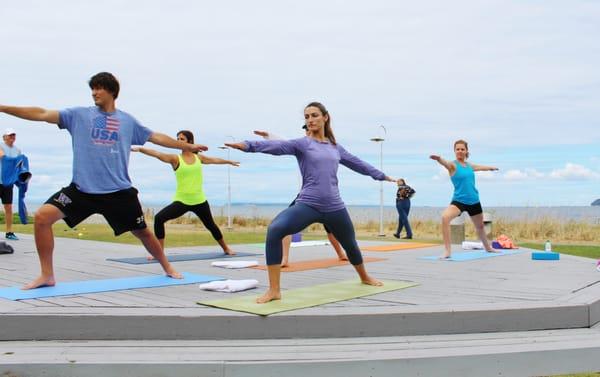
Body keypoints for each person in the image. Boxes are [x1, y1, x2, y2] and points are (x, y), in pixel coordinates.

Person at [0, 72, 208, 289]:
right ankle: (47, 275)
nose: (94, 92)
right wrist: (4, 108)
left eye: (99, 88)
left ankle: (167, 266)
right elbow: (41, 113)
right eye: (92, 88)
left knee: (143, 233)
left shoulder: (127, 121)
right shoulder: (77, 115)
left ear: (112, 92)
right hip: (82, 190)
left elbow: (156, 137)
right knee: (43, 217)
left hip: (118, 192)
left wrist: (187, 146)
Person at [226, 102, 396, 303]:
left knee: (350, 245)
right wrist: (247, 146)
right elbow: (277, 147)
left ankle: (364, 276)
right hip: (308, 204)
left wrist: (383, 176)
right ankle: (274, 290)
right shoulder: (302, 144)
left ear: (325, 117)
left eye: (314, 115)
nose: (310, 120)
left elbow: (359, 164)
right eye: (306, 117)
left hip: (335, 207)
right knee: (275, 230)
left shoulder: (335, 148)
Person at [132, 130, 239, 257]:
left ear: (189, 142)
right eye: (177, 138)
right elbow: (157, 154)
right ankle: (159, 252)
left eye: (182, 139)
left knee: (211, 225)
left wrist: (228, 162)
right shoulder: (175, 159)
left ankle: (226, 248)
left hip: (199, 200)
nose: (178, 141)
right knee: (159, 218)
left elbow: (214, 160)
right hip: (182, 201)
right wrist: (140, 149)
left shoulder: (199, 158)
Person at [253, 128, 347, 267]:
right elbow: (284, 141)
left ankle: (341, 254)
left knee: (331, 229)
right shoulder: (302, 147)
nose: (308, 134)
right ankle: (284, 258)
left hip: (325, 198)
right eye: (307, 131)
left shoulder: (326, 149)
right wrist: (268, 135)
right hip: (304, 197)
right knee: (284, 226)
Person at [430, 139, 499, 259]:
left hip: (474, 200)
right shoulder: (452, 165)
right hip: (459, 201)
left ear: (466, 151)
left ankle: (488, 247)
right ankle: (447, 251)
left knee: (480, 227)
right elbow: (445, 163)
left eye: (462, 149)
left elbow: (479, 167)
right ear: (454, 151)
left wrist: (490, 168)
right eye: (457, 149)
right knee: (445, 218)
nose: (460, 151)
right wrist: (439, 159)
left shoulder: (469, 165)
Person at [0, 128, 22, 240]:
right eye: (10, 135)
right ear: (4, 137)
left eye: (14, 135)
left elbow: (19, 166)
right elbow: (2, 157)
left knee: (8, 206)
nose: (12, 137)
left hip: (8, 183)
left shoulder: (18, 151)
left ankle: (9, 232)